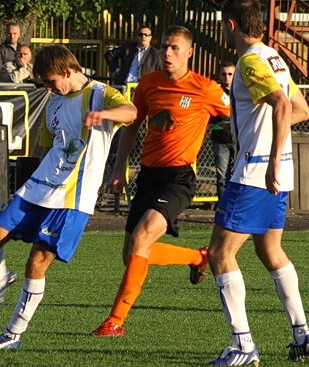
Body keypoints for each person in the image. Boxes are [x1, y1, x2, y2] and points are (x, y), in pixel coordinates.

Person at [0, 45, 136, 349]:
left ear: (68, 71)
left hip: (72, 198)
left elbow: (131, 112)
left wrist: (104, 115)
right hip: (39, 186)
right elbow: (46, 146)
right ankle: (0, 279)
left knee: (37, 262)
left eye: (52, 82)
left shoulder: (100, 94)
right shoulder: (53, 104)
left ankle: (13, 335)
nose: (50, 89)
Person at [90, 25, 230, 338]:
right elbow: (131, 126)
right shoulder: (148, 84)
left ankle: (114, 322)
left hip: (178, 178)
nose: (167, 53)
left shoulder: (205, 88)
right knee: (132, 255)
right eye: (165, 46)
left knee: (142, 239)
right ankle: (198, 256)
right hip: (148, 175)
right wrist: (118, 170)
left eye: (175, 48)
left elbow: (236, 114)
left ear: (189, 52)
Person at [204, 0, 309, 367]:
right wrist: (277, 153)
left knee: (221, 254)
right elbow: (300, 108)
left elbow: (283, 106)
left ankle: (242, 345)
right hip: (278, 173)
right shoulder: (275, 57)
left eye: (222, 25)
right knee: (270, 252)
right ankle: (302, 334)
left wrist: (268, 156)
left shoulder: (250, 61)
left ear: (231, 26)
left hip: (255, 172)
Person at [210, 62, 236, 200]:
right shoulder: (214, 93)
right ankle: (222, 211)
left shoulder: (242, 91)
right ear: (219, 76)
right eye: (224, 74)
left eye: (230, 74)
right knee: (222, 178)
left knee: (240, 177)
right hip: (220, 140)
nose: (227, 77)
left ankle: (237, 210)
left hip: (239, 140)